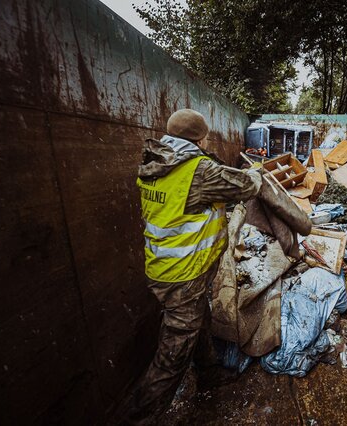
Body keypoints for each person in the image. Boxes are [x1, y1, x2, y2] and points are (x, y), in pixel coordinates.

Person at [124, 109, 262, 424]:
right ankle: (140, 415)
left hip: (164, 267)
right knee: (174, 351)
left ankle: (209, 372)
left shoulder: (154, 162)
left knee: (199, 318)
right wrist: (257, 172)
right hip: (184, 275)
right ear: (200, 137)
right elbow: (246, 187)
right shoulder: (196, 171)